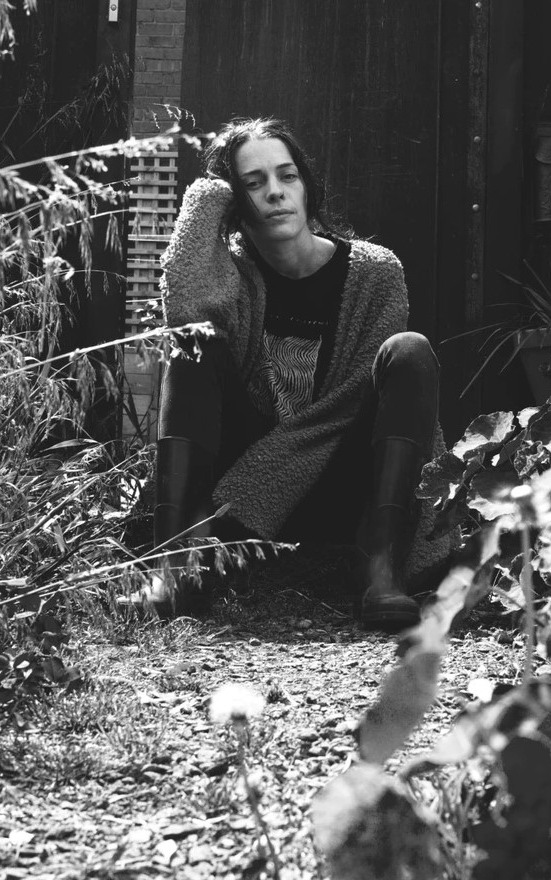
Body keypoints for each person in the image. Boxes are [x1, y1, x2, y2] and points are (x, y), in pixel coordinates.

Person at [126, 117, 454, 630]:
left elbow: (352, 404)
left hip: (339, 479)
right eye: (253, 184)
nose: (275, 193)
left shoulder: (374, 272)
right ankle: (174, 566)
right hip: (244, 473)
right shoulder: (232, 275)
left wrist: (275, 472)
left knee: (410, 350)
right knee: (193, 343)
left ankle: (381, 569)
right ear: (236, 203)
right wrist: (207, 201)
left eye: (287, 176)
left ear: (308, 186)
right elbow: (186, 310)